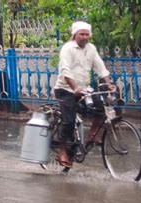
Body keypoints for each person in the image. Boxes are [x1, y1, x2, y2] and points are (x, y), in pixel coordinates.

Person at [53, 21, 116, 168]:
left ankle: (92, 136)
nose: (84, 37)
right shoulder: (67, 49)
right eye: (81, 34)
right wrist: (74, 87)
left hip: (84, 89)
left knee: (102, 108)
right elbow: (65, 70)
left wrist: (108, 83)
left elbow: (100, 67)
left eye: (87, 34)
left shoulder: (91, 49)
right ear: (74, 35)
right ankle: (62, 151)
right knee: (68, 121)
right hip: (65, 89)